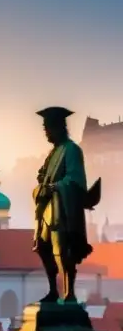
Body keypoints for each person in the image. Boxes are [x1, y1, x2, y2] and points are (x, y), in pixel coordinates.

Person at [33, 106, 100, 303]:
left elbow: (75, 178)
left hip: (62, 209)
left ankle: (69, 291)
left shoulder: (71, 150)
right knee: (43, 247)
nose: (46, 133)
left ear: (59, 128)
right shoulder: (53, 152)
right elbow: (43, 176)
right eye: (45, 129)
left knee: (62, 249)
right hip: (47, 208)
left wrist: (56, 186)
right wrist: (43, 182)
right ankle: (53, 290)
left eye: (48, 128)